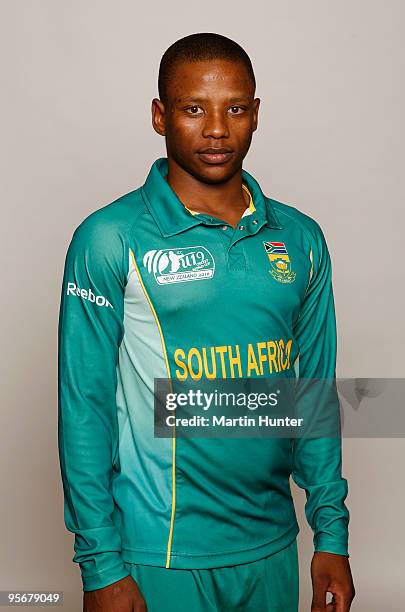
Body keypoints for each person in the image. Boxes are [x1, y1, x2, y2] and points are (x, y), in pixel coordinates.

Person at [58, 32, 355, 612]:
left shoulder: (300, 238)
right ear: (158, 115)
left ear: (256, 114)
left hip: (272, 548)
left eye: (235, 109)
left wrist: (332, 537)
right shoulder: (109, 238)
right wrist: (100, 566)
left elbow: (313, 396)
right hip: (158, 554)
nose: (217, 129)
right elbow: (83, 408)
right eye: (194, 109)